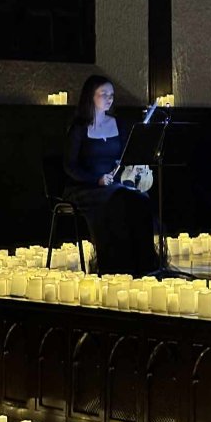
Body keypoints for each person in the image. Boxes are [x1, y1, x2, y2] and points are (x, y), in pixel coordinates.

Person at [63, 75, 158, 275]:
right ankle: (116, 266)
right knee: (118, 200)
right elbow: (70, 166)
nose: (109, 98)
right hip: (87, 188)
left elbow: (128, 154)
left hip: (114, 185)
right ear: (91, 96)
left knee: (141, 199)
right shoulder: (79, 129)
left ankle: (144, 264)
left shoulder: (119, 125)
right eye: (103, 94)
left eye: (111, 95)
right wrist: (96, 179)